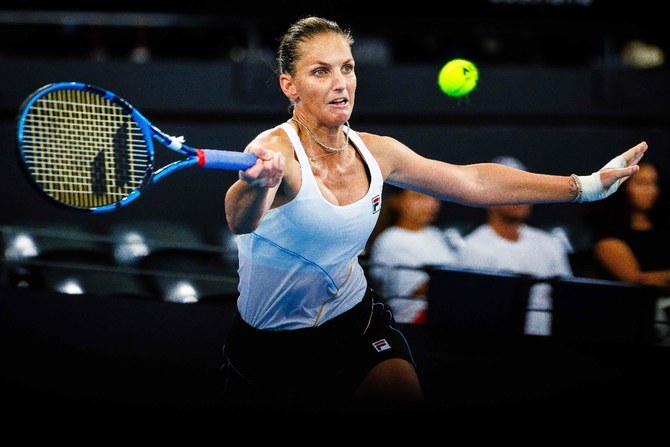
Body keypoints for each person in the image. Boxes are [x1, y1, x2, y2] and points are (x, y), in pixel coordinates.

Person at [221, 15, 648, 414]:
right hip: (269, 348)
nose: (341, 84)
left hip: (354, 321)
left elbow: (473, 184)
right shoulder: (275, 151)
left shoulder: (377, 151)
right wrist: (256, 185)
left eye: (347, 68)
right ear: (288, 86)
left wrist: (586, 186)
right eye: (321, 72)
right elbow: (240, 219)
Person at [454, 156, 574, 336]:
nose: (522, 196)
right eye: (512, 188)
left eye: (526, 188)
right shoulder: (472, 248)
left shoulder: (549, 243)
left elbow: (567, 297)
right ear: (486, 195)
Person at [582, 159, 670, 341]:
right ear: (623, 187)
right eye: (642, 183)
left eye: (654, 183)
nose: (651, 190)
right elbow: (636, 280)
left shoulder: (664, 229)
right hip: (629, 324)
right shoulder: (608, 236)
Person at [368, 186, 457, 324]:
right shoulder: (391, 239)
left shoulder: (435, 233)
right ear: (397, 201)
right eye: (419, 197)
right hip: (412, 322)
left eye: (434, 197)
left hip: (444, 316)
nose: (431, 204)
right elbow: (415, 291)